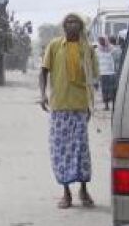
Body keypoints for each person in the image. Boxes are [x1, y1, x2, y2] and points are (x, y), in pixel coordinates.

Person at [40, 13, 98, 209]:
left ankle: (83, 189)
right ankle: (66, 193)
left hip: (80, 106)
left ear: (81, 26)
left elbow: (93, 77)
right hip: (59, 107)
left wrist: (91, 101)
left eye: (76, 22)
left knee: (81, 150)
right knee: (61, 150)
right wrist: (43, 94)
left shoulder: (87, 49)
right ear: (64, 26)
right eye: (69, 22)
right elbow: (43, 71)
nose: (72, 25)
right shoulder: (55, 46)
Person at [96, 35, 117, 111]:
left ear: (106, 40)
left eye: (102, 40)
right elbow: (96, 62)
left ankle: (114, 105)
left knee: (112, 90)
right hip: (103, 73)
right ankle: (106, 105)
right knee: (104, 90)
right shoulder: (97, 50)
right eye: (100, 41)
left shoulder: (113, 49)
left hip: (111, 73)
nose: (101, 42)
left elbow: (116, 60)